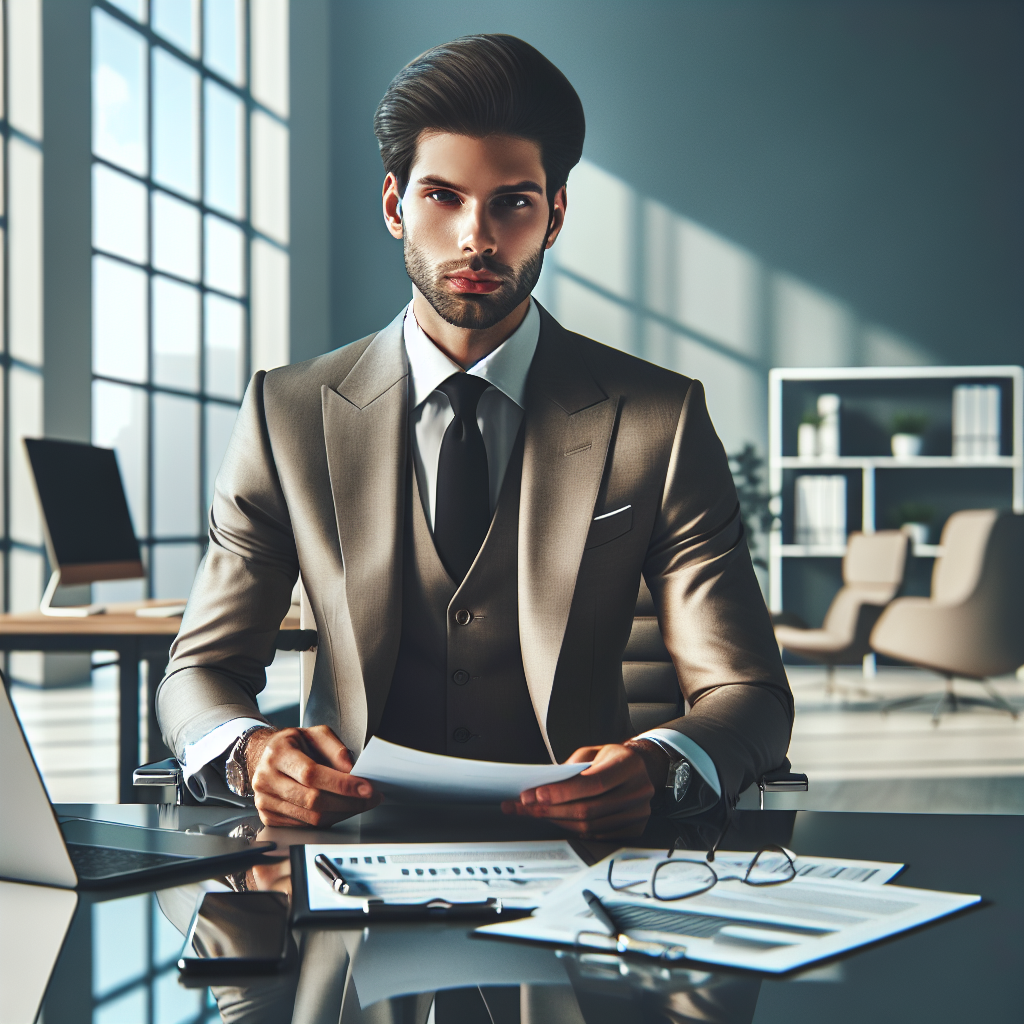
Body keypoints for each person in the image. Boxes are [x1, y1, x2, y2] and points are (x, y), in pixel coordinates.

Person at [157, 34, 792, 839]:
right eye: (444, 198)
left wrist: (662, 763)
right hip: (347, 844)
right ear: (395, 206)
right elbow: (201, 671)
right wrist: (249, 753)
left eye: (513, 202)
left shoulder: (657, 420)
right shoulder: (286, 416)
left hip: (585, 861)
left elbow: (749, 692)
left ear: (554, 216)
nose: (476, 239)